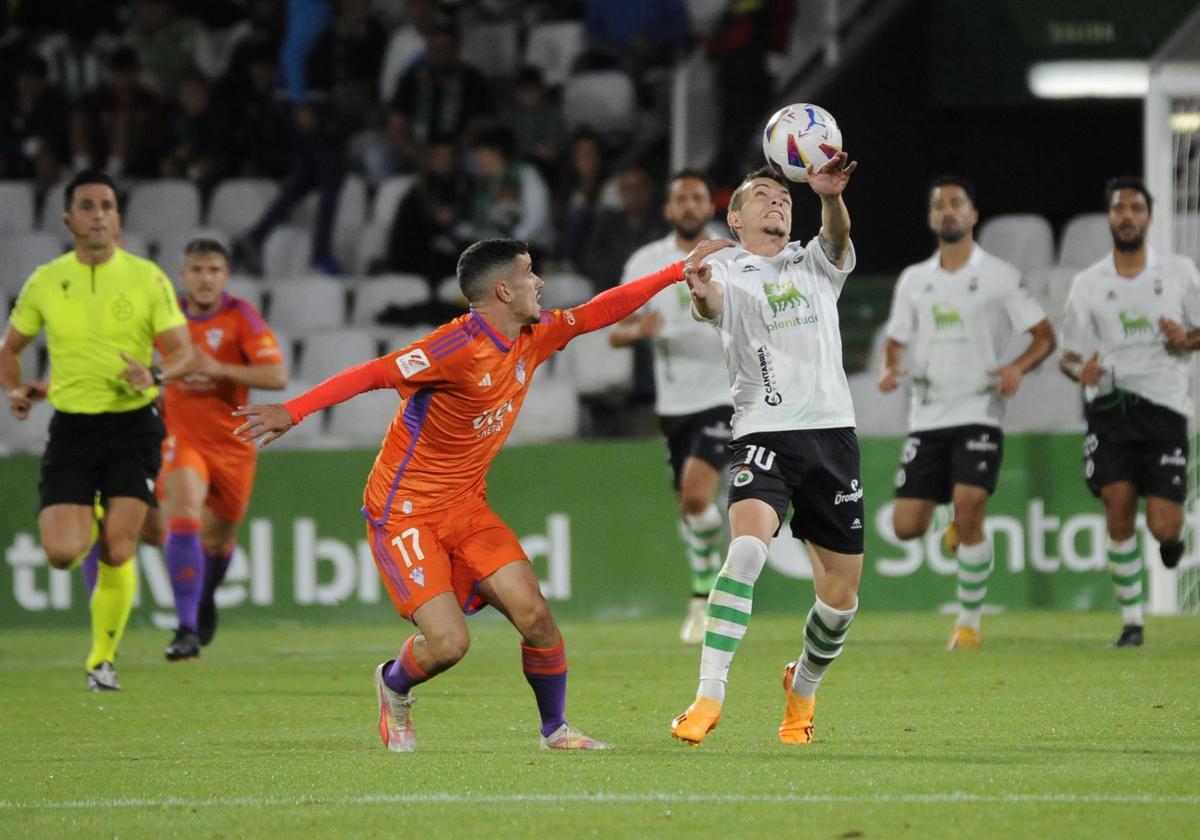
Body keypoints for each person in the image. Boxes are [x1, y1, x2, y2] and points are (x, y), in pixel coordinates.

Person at [233, 235, 732, 751]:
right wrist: (291, 411)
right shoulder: (451, 349)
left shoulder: (533, 335)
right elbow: (372, 373)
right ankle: (393, 682)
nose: (539, 282)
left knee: (536, 616)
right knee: (449, 645)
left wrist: (675, 272)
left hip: (466, 505)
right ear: (502, 289)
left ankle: (554, 730)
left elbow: (596, 313)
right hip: (406, 512)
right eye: (529, 273)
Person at [669, 157, 859, 747]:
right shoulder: (731, 270)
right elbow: (711, 304)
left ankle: (801, 685)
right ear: (735, 215)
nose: (778, 201)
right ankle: (708, 694)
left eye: (784, 195)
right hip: (764, 434)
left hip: (833, 438)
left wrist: (828, 196)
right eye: (762, 195)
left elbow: (837, 234)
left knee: (840, 602)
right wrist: (700, 293)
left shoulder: (816, 263)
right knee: (747, 550)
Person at [0, 169, 193, 691]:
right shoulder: (46, 280)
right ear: (69, 220)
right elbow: (10, 350)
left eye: (107, 205)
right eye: (87, 206)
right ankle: (116, 507)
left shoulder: (146, 278)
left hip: (134, 426)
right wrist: (17, 389)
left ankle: (101, 660)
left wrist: (151, 374)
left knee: (118, 549)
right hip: (73, 431)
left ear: (118, 218)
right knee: (62, 553)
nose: (98, 214)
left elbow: (183, 353)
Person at [877, 175, 1055, 649]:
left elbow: (1044, 336)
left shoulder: (1000, 275)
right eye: (939, 205)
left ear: (974, 215)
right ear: (932, 217)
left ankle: (968, 623)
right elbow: (895, 341)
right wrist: (891, 367)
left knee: (972, 506)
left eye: (957, 203)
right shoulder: (915, 280)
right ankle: (950, 518)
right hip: (928, 413)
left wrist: (1017, 367)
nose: (948, 211)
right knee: (905, 527)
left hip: (981, 409)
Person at [123, 239, 286, 660]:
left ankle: (203, 597)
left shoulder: (241, 316)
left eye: (214, 269)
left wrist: (219, 368)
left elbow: (276, 375)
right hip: (181, 436)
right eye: (197, 269)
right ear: (183, 276)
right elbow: (140, 367)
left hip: (234, 443)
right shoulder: (166, 317)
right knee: (184, 513)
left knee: (217, 541)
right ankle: (185, 628)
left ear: (225, 275)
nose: (205, 278)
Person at [1059, 176, 1200, 648]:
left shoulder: (1179, 272)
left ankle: (1170, 540)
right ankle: (1132, 623)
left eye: (1136, 208)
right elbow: (1068, 355)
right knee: (1117, 510)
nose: (1127, 216)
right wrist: (1083, 370)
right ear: (1109, 218)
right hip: (1111, 408)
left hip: (1164, 408)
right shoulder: (1088, 284)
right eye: (1119, 208)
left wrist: (1186, 339)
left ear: (1148, 218)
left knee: (1164, 524)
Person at [609, 170, 732, 644]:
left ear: (710, 205)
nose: (689, 205)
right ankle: (703, 592)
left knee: (698, 494)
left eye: (697, 197)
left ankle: (707, 596)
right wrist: (639, 330)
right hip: (674, 402)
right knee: (690, 506)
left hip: (724, 394)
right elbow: (616, 329)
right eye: (680, 197)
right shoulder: (647, 260)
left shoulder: (730, 254)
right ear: (668, 209)